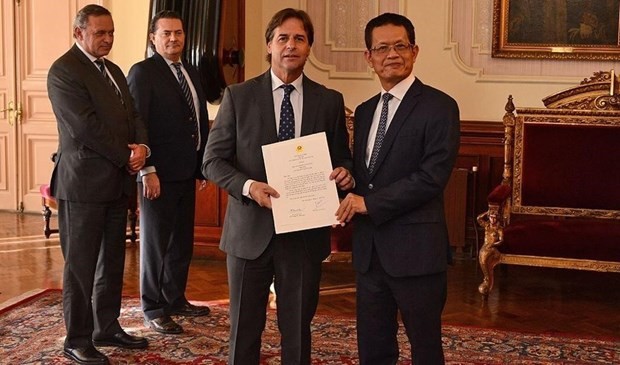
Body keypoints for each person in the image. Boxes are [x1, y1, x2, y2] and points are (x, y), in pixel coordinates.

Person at [202, 8, 353, 365]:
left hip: (302, 235)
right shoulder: (238, 96)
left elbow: (342, 158)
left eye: (299, 38)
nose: (291, 45)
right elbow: (212, 162)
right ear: (269, 45)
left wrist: (345, 174)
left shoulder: (328, 100)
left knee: (298, 328)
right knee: (244, 327)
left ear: (309, 48)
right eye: (283, 38)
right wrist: (249, 186)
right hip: (249, 232)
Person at [335, 12, 460, 365]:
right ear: (369, 57)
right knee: (373, 347)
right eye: (382, 48)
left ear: (415, 51)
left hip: (416, 251)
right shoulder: (364, 111)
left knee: (425, 347)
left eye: (400, 46)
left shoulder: (440, 107)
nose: (392, 54)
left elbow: (431, 178)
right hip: (369, 251)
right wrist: (348, 180)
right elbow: (367, 175)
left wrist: (368, 203)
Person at [47, 4, 149, 365]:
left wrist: (142, 148)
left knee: (112, 261)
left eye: (111, 33)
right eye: (99, 33)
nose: (107, 39)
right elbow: (85, 127)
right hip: (82, 187)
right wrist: (127, 155)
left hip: (116, 184)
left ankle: (106, 327)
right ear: (79, 33)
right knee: (80, 267)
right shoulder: (63, 71)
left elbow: (132, 114)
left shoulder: (115, 71)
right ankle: (76, 339)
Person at [127, 10, 211, 335]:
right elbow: (138, 124)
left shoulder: (189, 70)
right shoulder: (143, 73)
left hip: (187, 171)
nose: (173, 39)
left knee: (181, 244)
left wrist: (201, 164)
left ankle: (175, 299)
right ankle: (153, 307)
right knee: (155, 244)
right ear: (153, 38)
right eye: (166, 34)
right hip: (157, 174)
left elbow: (198, 119)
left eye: (178, 33)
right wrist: (146, 170)